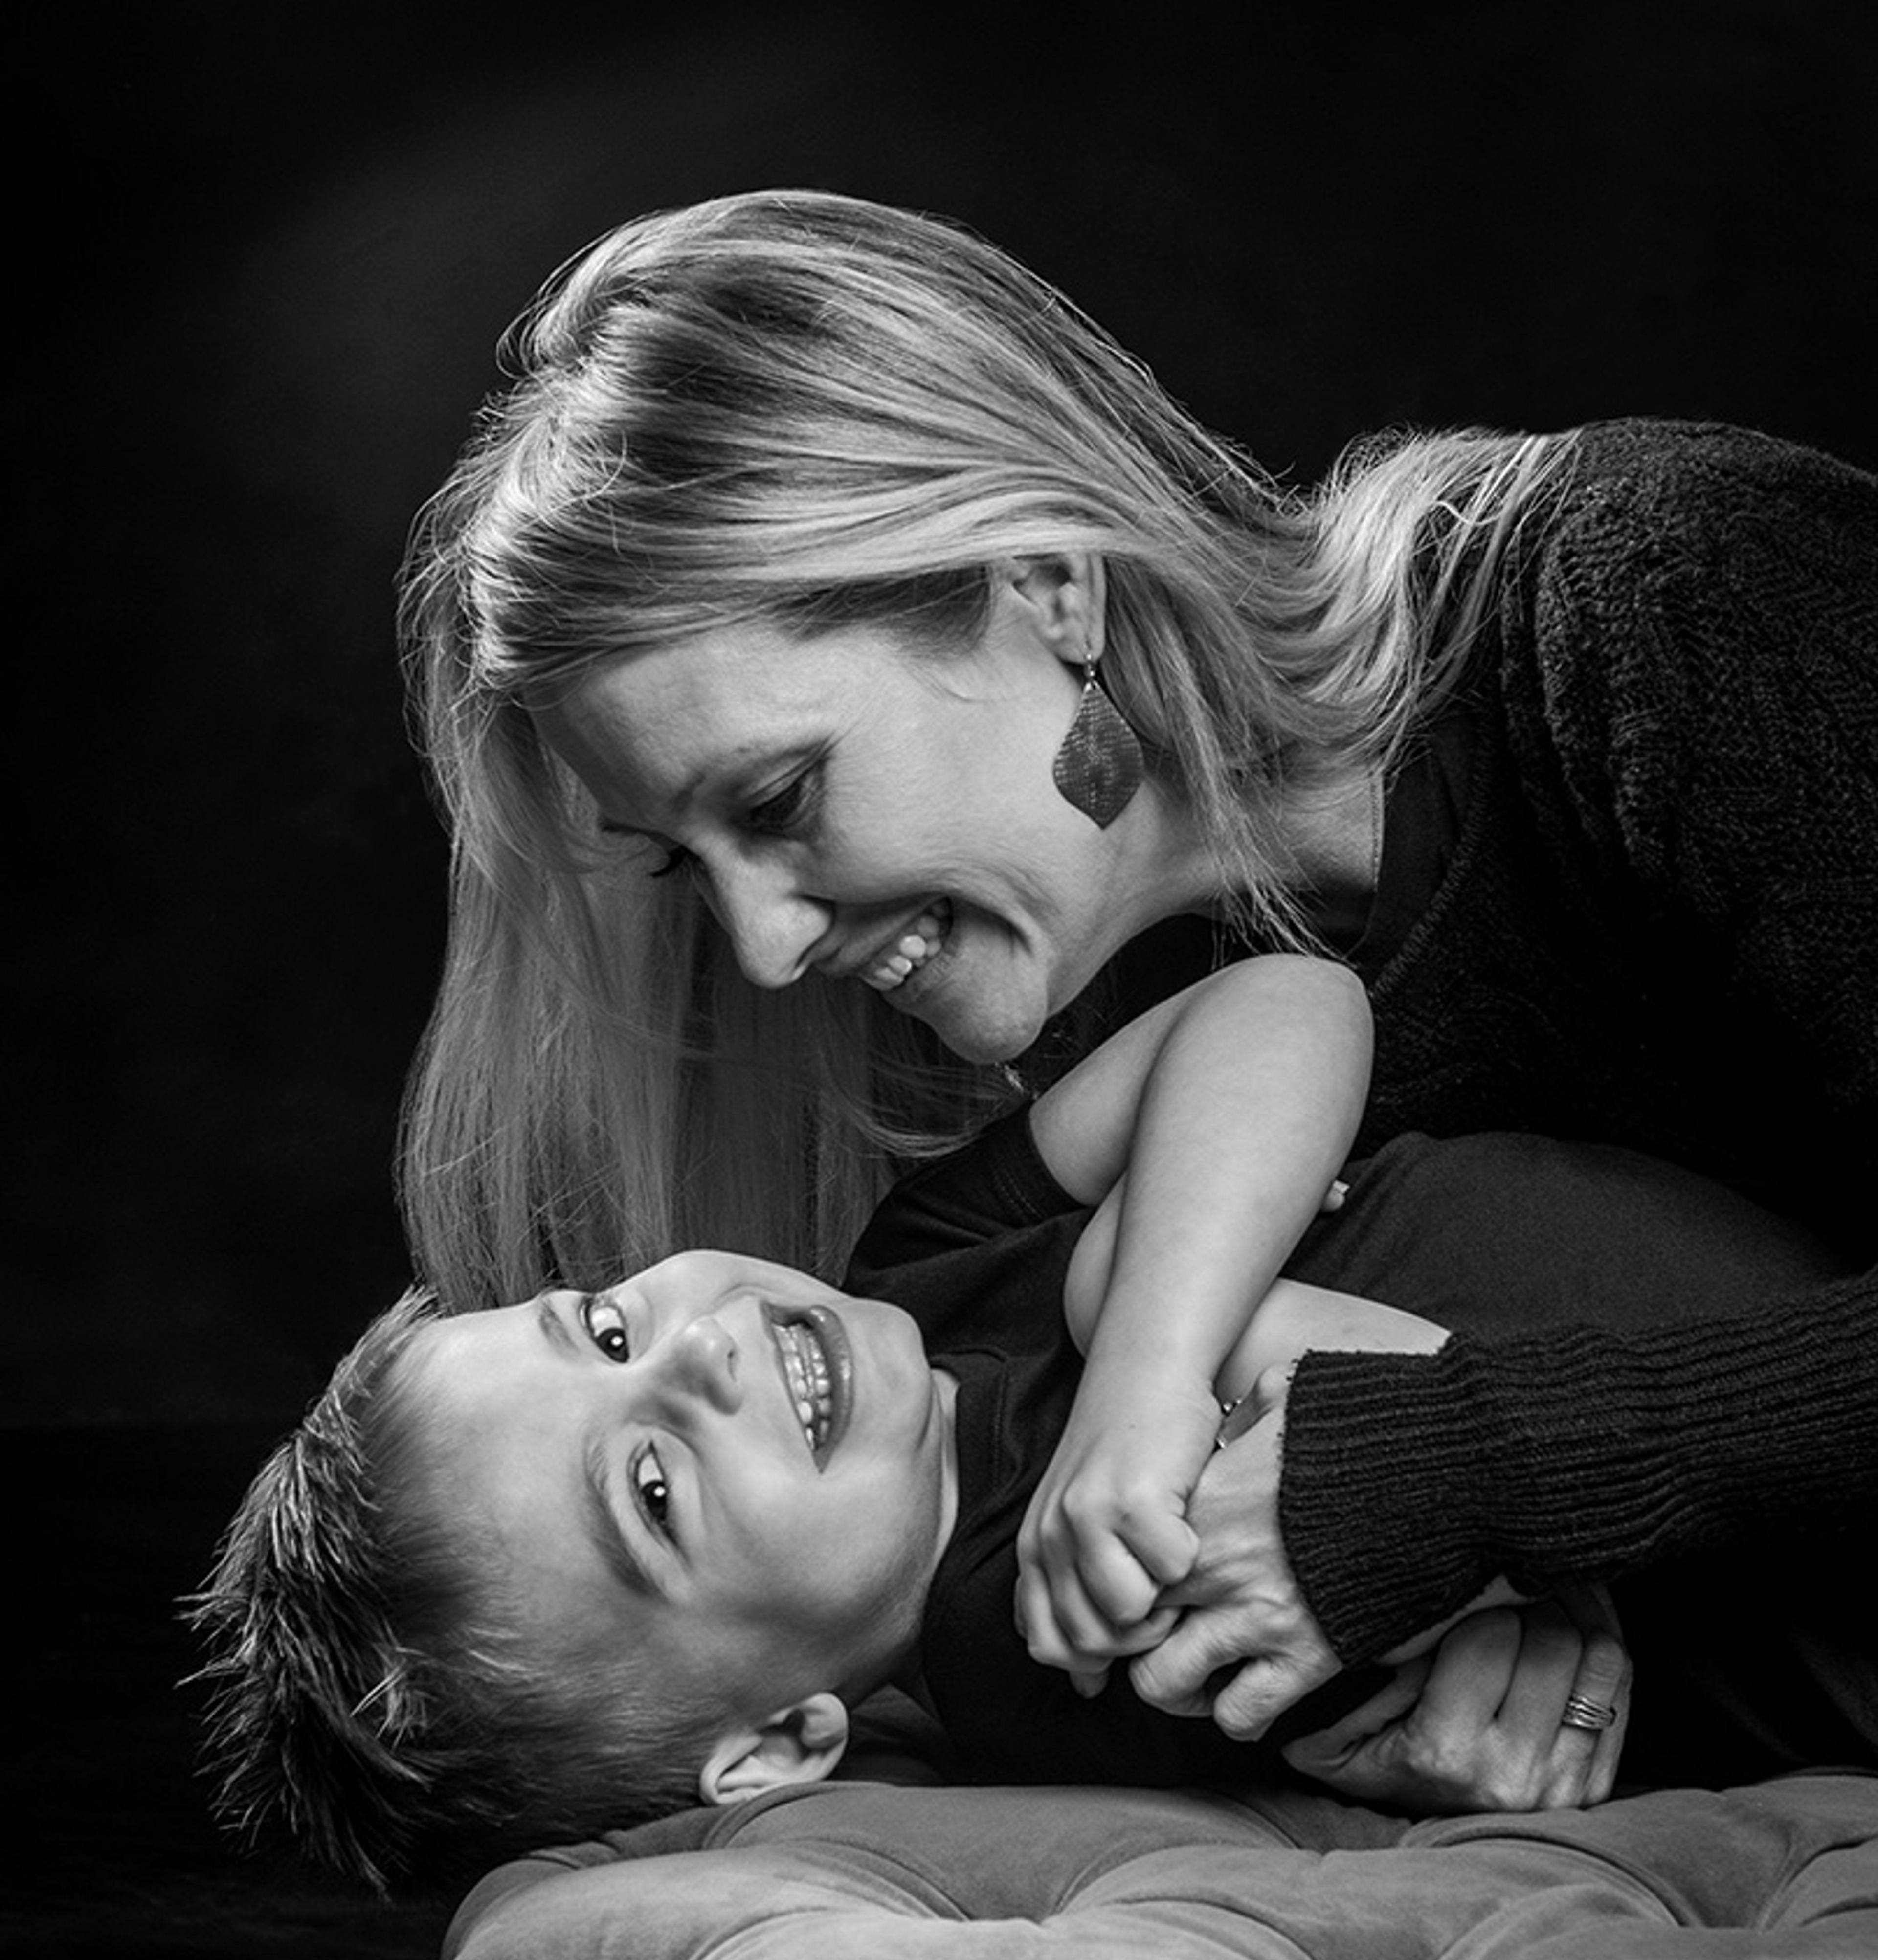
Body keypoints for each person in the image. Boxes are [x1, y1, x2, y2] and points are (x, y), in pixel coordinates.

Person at [398, 187, 1877, 1750]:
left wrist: (1459, 1483)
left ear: (1049, 585)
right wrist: (1423, 1719)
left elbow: (1430, 1446)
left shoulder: (1669, 608)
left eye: (780, 802)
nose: (763, 951)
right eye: (690, 864)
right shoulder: (1125, 1040)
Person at [192, 961, 1858, 1894]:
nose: (694, 1356)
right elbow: (1428, 1423)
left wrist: (1143, 1356)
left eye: (608, 1323)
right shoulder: (1046, 1627)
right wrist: (1191, 1292)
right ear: (777, 1747)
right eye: (652, 1482)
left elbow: (1285, 1007)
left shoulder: (913, 1273)